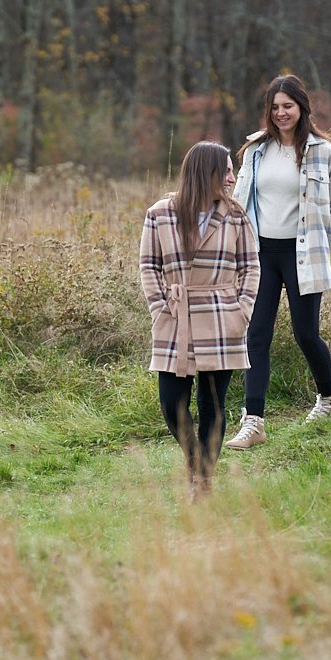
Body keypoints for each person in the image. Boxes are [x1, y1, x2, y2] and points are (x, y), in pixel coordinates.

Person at [224, 75, 331, 450]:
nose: (281, 113)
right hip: (262, 253)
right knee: (256, 334)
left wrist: (329, 240)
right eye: (274, 108)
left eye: (287, 106)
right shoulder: (256, 150)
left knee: (305, 334)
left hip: (303, 254)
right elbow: (241, 198)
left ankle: (327, 399)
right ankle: (253, 420)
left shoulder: (323, 152)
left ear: (301, 107)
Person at [140, 140, 260, 499]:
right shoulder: (159, 214)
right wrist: (160, 307)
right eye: (224, 170)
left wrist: (242, 311)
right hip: (175, 318)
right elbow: (149, 266)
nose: (231, 177)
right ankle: (194, 463)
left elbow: (251, 267)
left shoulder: (236, 215)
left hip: (223, 319)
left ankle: (204, 478)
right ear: (203, 172)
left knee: (213, 404)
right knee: (170, 403)